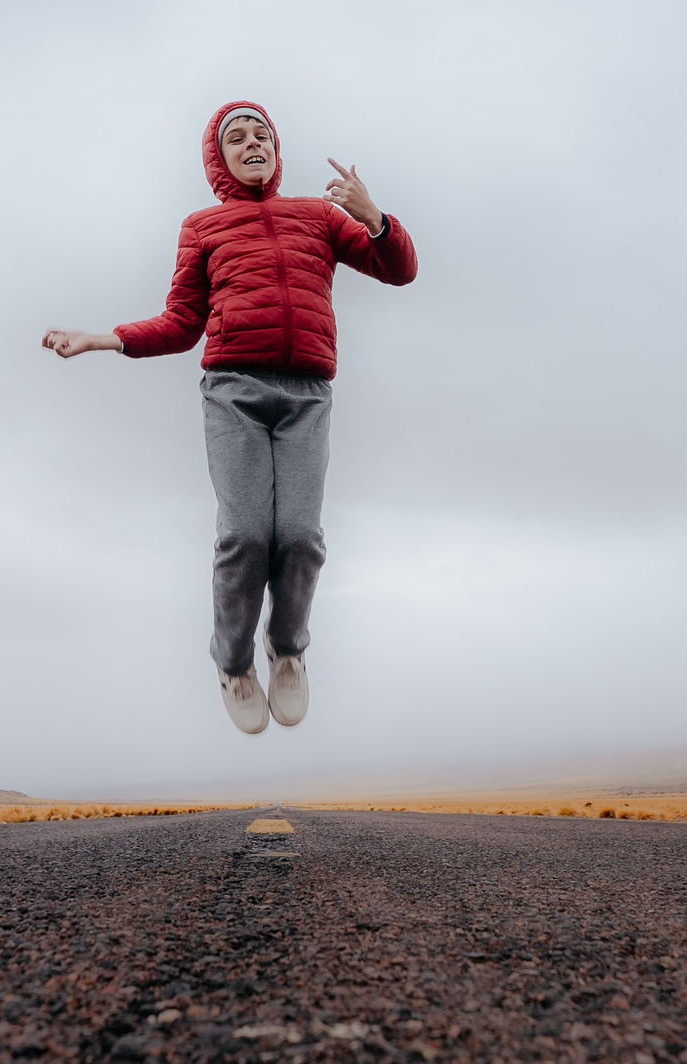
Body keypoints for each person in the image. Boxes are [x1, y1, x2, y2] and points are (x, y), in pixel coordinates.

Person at [42, 102, 418, 734]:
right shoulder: (203, 228)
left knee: (299, 537)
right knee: (245, 537)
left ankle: (289, 650)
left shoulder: (320, 218)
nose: (252, 144)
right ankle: (235, 663)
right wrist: (105, 338)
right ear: (219, 159)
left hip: (307, 395)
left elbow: (400, 270)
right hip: (233, 390)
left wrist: (373, 217)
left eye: (261, 134)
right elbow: (181, 324)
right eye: (236, 138)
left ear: (276, 149)